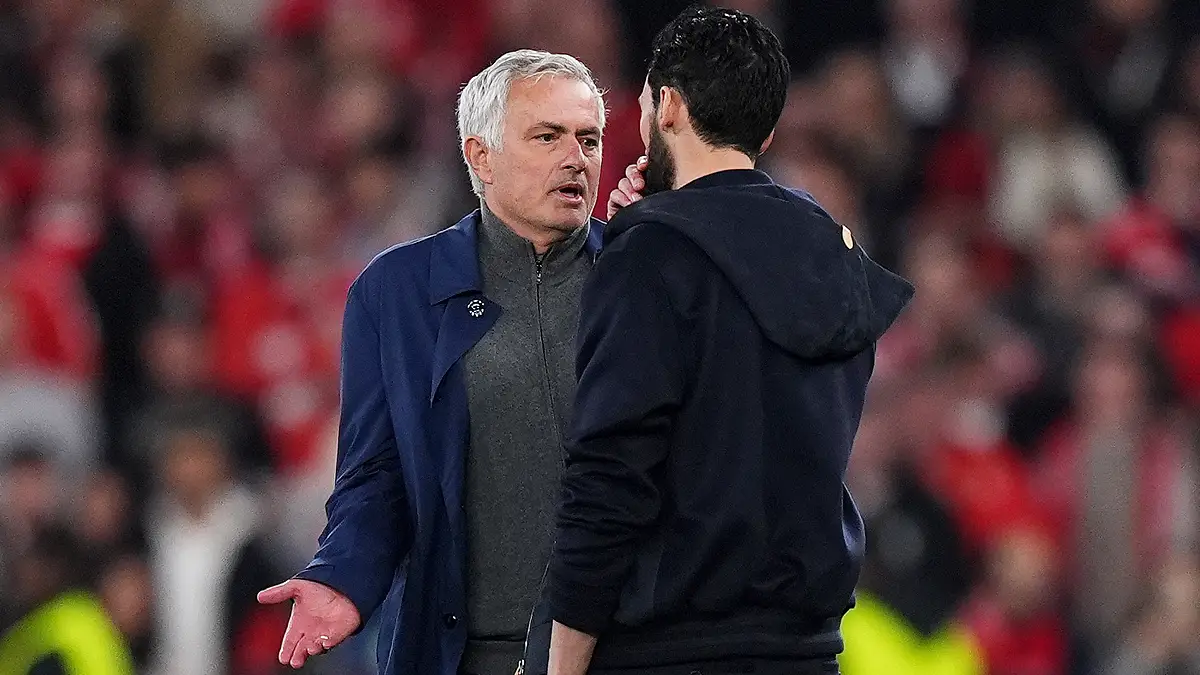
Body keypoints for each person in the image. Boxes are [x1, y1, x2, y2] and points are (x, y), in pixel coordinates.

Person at [530, 7, 915, 675]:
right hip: (805, 649)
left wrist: (562, 663)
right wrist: (644, 228)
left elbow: (610, 478)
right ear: (765, 131)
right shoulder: (829, 251)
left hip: (670, 650)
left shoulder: (652, 258)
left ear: (670, 106)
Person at [256, 49, 606, 675]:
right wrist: (343, 577)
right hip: (468, 655)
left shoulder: (639, 275)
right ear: (480, 156)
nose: (575, 158)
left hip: (628, 652)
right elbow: (376, 475)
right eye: (547, 137)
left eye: (588, 139)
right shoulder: (397, 292)